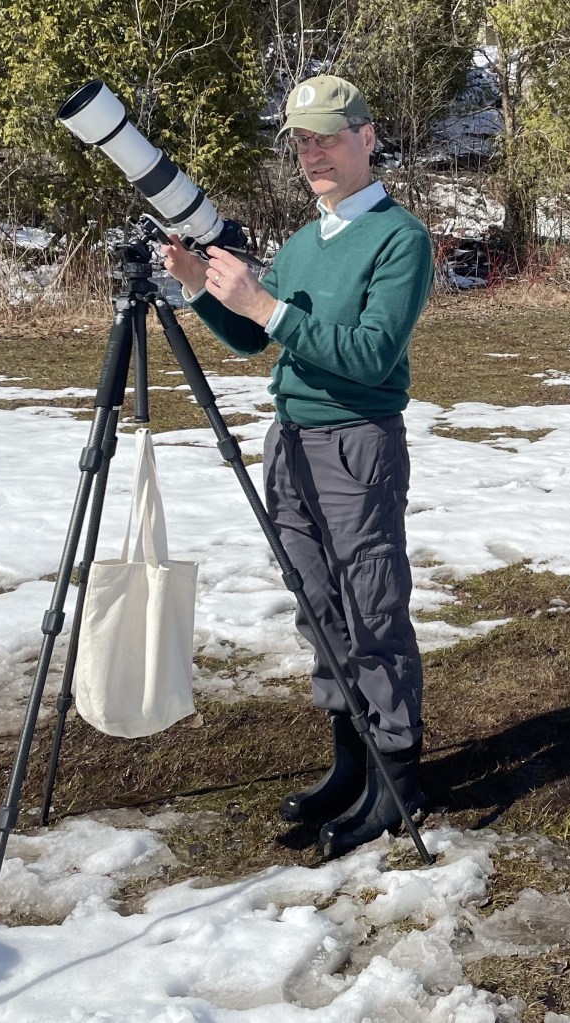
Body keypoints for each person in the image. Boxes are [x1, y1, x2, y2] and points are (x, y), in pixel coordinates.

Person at [161, 75, 434, 858]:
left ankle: (397, 774)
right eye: (302, 142)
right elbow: (255, 337)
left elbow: (371, 354)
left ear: (367, 137)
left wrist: (264, 305)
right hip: (290, 441)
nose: (314, 154)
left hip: (356, 443)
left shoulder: (400, 239)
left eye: (328, 137)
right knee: (317, 604)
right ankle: (351, 760)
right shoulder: (305, 241)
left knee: (371, 604)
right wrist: (199, 290)